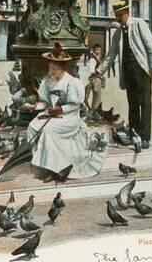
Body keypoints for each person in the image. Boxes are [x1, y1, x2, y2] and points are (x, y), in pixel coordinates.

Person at [25, 43, 105, 182]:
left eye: (54, 69)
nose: (51, 71)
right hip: (52, 114)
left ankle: (54, 169)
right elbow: (45, 102)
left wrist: (61, 109)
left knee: (49, 130)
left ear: (62, 68)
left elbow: (76, 105)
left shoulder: (72, 82)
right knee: (32, 126)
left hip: (69, 117)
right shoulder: (48, 81)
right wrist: (35, 106)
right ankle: (41, 165)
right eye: (50, 68)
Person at [100, 0, 152, 149]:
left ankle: (145, 137)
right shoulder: (118, 33)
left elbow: (151, 46)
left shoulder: (139, 24)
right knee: (132, 104)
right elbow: (111, 54)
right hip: (128, 72)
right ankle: (134, 134)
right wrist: (99, 70)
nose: (118, 20)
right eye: (116, 17)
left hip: (142, 70)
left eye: (120, 16)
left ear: (127, 13)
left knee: (145, 103)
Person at [84, 43, 104, 120]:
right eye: (97, 50)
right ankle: (94, 112)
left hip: (97, 79)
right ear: (94, 50)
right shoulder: (93, 59)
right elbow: (92, 70)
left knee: (97, 96)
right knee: (96, 96)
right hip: (94, 79)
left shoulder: (98, 58)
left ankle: (94, 111)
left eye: (99, 50)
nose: (98, 51)